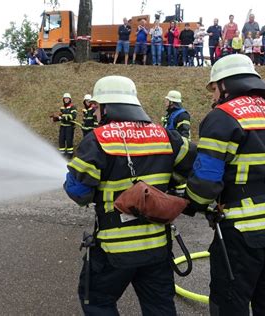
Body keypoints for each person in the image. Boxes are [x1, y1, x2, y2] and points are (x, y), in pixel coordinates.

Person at [64, 75, 195, 315]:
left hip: (114, 251)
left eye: (97, 106)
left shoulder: (97, 140)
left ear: (106, 107)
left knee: (97, 300)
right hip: (157, 246)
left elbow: (79, 193)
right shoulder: (166, 136)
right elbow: (196, 168)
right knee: (160, 307)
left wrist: (72, 177)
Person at [184, 54, 265, 316]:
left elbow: (206, 181)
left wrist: (189, 202)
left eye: (214, 88)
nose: (213, 96)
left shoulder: (222, 117)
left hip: (241, 230)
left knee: (230, 301)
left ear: (226, 85)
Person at [57, 93, 77, 158]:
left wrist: (62, 117)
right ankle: (62, 153)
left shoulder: (72, 107)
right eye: (65, 98)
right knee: (61, 139)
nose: (66, 100)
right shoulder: (62, 108)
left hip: (69, 127)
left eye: (67, 98)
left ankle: (70, 154)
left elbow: (73, 116)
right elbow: (61, 115)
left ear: (70, 99)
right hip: (63, 126)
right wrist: (57, 117)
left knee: (69, 140)